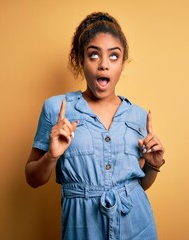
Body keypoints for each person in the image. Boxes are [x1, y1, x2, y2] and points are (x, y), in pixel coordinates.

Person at [25, 12, 166, 240]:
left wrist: (153, 166)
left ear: (122, 64)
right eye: (93, 55)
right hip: (82, 228)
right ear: (81, 60)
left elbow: (140, 186)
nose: (103, 65)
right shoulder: (56, 109)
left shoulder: (138, 115)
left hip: (137, 226)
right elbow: (32, 179)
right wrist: (51, 156)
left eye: (113, 56)